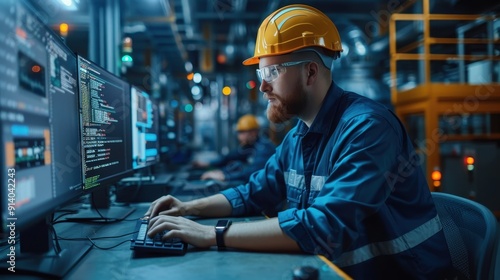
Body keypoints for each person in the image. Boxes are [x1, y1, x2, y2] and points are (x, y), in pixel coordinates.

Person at [146, 4, 454, 279]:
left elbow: (325, 225)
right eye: (260, 71)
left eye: (272, 71)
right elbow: (254, 193)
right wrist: (188, 208)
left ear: (310, 72)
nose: (263, 85)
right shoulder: (298, 137)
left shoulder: (368, 128)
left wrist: (211, 234)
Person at [192, 114, 276, 182]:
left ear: (253, 132)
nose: (240, 136)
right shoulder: (250, 146)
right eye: (239, 132)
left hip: (270, 193)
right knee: (236, 165)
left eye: (243, 132)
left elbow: (253, 172)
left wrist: (225, 176)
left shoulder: (263, 148)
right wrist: (209, 164)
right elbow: (230, 157)